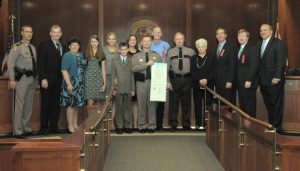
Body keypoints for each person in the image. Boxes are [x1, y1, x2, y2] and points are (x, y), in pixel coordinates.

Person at [7, 25, 37, 138]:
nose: (29, 34)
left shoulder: (32, 48)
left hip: (31, 79)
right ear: (22, 33)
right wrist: (11, 79)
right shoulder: (17, 46)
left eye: (31, 32)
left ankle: (26, 128)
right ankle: (18, 130)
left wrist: (36, 79)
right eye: (27, 32)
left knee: (28, 105)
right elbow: (10, 63)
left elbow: (34, 65)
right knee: (20, 105)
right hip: (21, 79)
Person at [38, 25, 66, 135]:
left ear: (61, 34)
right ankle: (44, 127)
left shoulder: (63, 45)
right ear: (50, 33)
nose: (56, 34)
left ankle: (53, 127)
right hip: (47, 80)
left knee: (55, 104)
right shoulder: (44, 45)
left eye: (59, 32)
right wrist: (43, 78)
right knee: (45, 103)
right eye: (54, 32)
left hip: (59, 80)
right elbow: (40, 63)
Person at [258, 24, 286, 132]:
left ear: (271, 31)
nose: (262, 32)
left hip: (274, 80)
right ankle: (271, 127)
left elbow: (281, 61)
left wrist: (277, 77)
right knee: (269, 105)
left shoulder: (277, 43)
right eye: (261, 30)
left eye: (265, 30)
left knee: (276, 106)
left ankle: (277, 129)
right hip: (264, 81)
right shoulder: (259, 43)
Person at [132, 35, 162, 133]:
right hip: (141, 83)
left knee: (153, 105)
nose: (146, 43)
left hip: (154, 83)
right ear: (141, 43)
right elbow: (133, 68)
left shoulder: (157, 55)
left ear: (151, 43)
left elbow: (161, 70)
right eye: (144, 41)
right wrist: (146, 64)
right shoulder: (136, 55)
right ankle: (142, 125)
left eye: (148, 41)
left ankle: (152, 126)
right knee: (142, 105)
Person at [168, 32, 195, 132]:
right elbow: (167, 67)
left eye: (181, 39)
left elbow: (195, 68)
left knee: (186, 104)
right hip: (174, 80)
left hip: (187, 80)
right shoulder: (170, 51)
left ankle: (186, 125)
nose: (179, 41)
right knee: (173, 104)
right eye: (177, 39)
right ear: (174, 41)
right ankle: (173, 124)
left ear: (184, 40)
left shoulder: (191, 51)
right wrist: (168, 81)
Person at [60, 38, 87, 133]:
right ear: (69, 46)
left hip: (80, 83)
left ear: (79, 46)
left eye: (77, 45)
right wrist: (69, 84)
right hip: (71, 82)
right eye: (73, 45)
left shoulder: (81, 55)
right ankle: (70, 126)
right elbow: (64, 70)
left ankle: (75, 124)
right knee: (71, 105)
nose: (75, 46)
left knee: (76, 105)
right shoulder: (67, 55)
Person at [190, 38, 215, 130]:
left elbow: (213, 70)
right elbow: (192, 71)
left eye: (203, 46)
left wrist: (207, 79)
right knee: (197, 105)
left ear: (206, 47)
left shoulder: (212, 57)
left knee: (208, 105)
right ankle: (198, 124)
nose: (201, 48)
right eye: (199, 47)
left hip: (208, 85)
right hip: (197, 85)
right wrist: (199, 80)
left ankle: (207, 124)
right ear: (196, 48)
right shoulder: (193, 58)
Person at [111, 42, 135, 134]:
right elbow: (113, 75)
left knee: (128, 108)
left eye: (126, 49)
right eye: (122, 49)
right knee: (119, 107)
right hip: (118, 87)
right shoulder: (115, 60)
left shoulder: (131, 59)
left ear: (128, 50)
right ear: (119, 50)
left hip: (128, 87)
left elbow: (132, 74)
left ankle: (127, 126)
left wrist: (133, 88)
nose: (124, 51)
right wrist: (113, 88)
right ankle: (119, 126)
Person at [150, 26, 170, 130]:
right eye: (155, 32)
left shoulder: (166, 45)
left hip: (162, 73)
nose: (157, 34)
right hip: (151, 74)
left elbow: (167, 60)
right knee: (152, 102)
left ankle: (159, 124)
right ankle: (152, 124)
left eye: (159, 32)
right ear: (152, 33)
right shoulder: (149, 44)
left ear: (161, 34)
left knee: (161, 101)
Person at [236, 29, 259, 118]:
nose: (240, 38)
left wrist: (249, 79)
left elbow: (254, 66)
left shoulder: (252, 48)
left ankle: (250, 128)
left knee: (249, 106)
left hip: (248, 82)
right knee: (243, 105)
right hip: (240, 83)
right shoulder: (240, 49)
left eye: (243, 36)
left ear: (247, 37)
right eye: (239, 36)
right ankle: (245, 126)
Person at [214, 27, 237, 104]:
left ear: (225, 35)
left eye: (222, 33)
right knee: (220, 105)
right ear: (216, 36)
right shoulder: (216, 48)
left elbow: (233, 65)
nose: (220, 35)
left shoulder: (231, 47)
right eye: (218, 34)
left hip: (227, 82)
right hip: (218, 82)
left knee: (228, 104)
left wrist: (230, 81)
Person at [85, 35, 106, 106]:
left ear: (98, 43)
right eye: (92, 42)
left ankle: (97, 117)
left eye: (96, 41)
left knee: (99, 101)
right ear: (90, 43)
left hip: (99, 80)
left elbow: (103, 70)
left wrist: (104, 83)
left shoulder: (102, 54)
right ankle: (91, 117)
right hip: (89, 80)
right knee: (90, 101)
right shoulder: (86, 54)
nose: (94, 43)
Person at [103, 32, 118, 129]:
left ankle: (112, 121)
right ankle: (106, 121)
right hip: (107, 77)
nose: (111, 41)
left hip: (117, 77)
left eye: (113, 39)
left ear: (116, 40)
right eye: (109, 39)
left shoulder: (119, 50)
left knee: (115, 99)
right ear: (107, 40)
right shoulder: (103, 50)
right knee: (108, 100)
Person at [127, 35, 140, 129]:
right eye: (131, 39)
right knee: (128, 102)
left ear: (136, 41)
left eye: (134, 39)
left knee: (136, 102)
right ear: (128, 41)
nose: (132, 41)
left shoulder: (140, 52)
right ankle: (129, 123)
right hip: (126, 79)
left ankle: (135, 123)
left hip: (138, 79)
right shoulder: (124, 52)